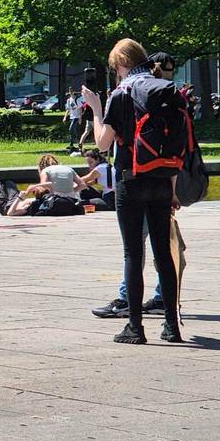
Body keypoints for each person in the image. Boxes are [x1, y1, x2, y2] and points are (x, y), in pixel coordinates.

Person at [82, 37, 182, 344]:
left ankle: (135, 327)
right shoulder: (163, 89)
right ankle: (171, 326)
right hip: (163, 177)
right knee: (164, 254)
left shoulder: (121, 92)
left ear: (120, 64)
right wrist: (174, 187)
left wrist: (96, 109)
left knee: (132, 252)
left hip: (131, 178)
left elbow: (102, 142)